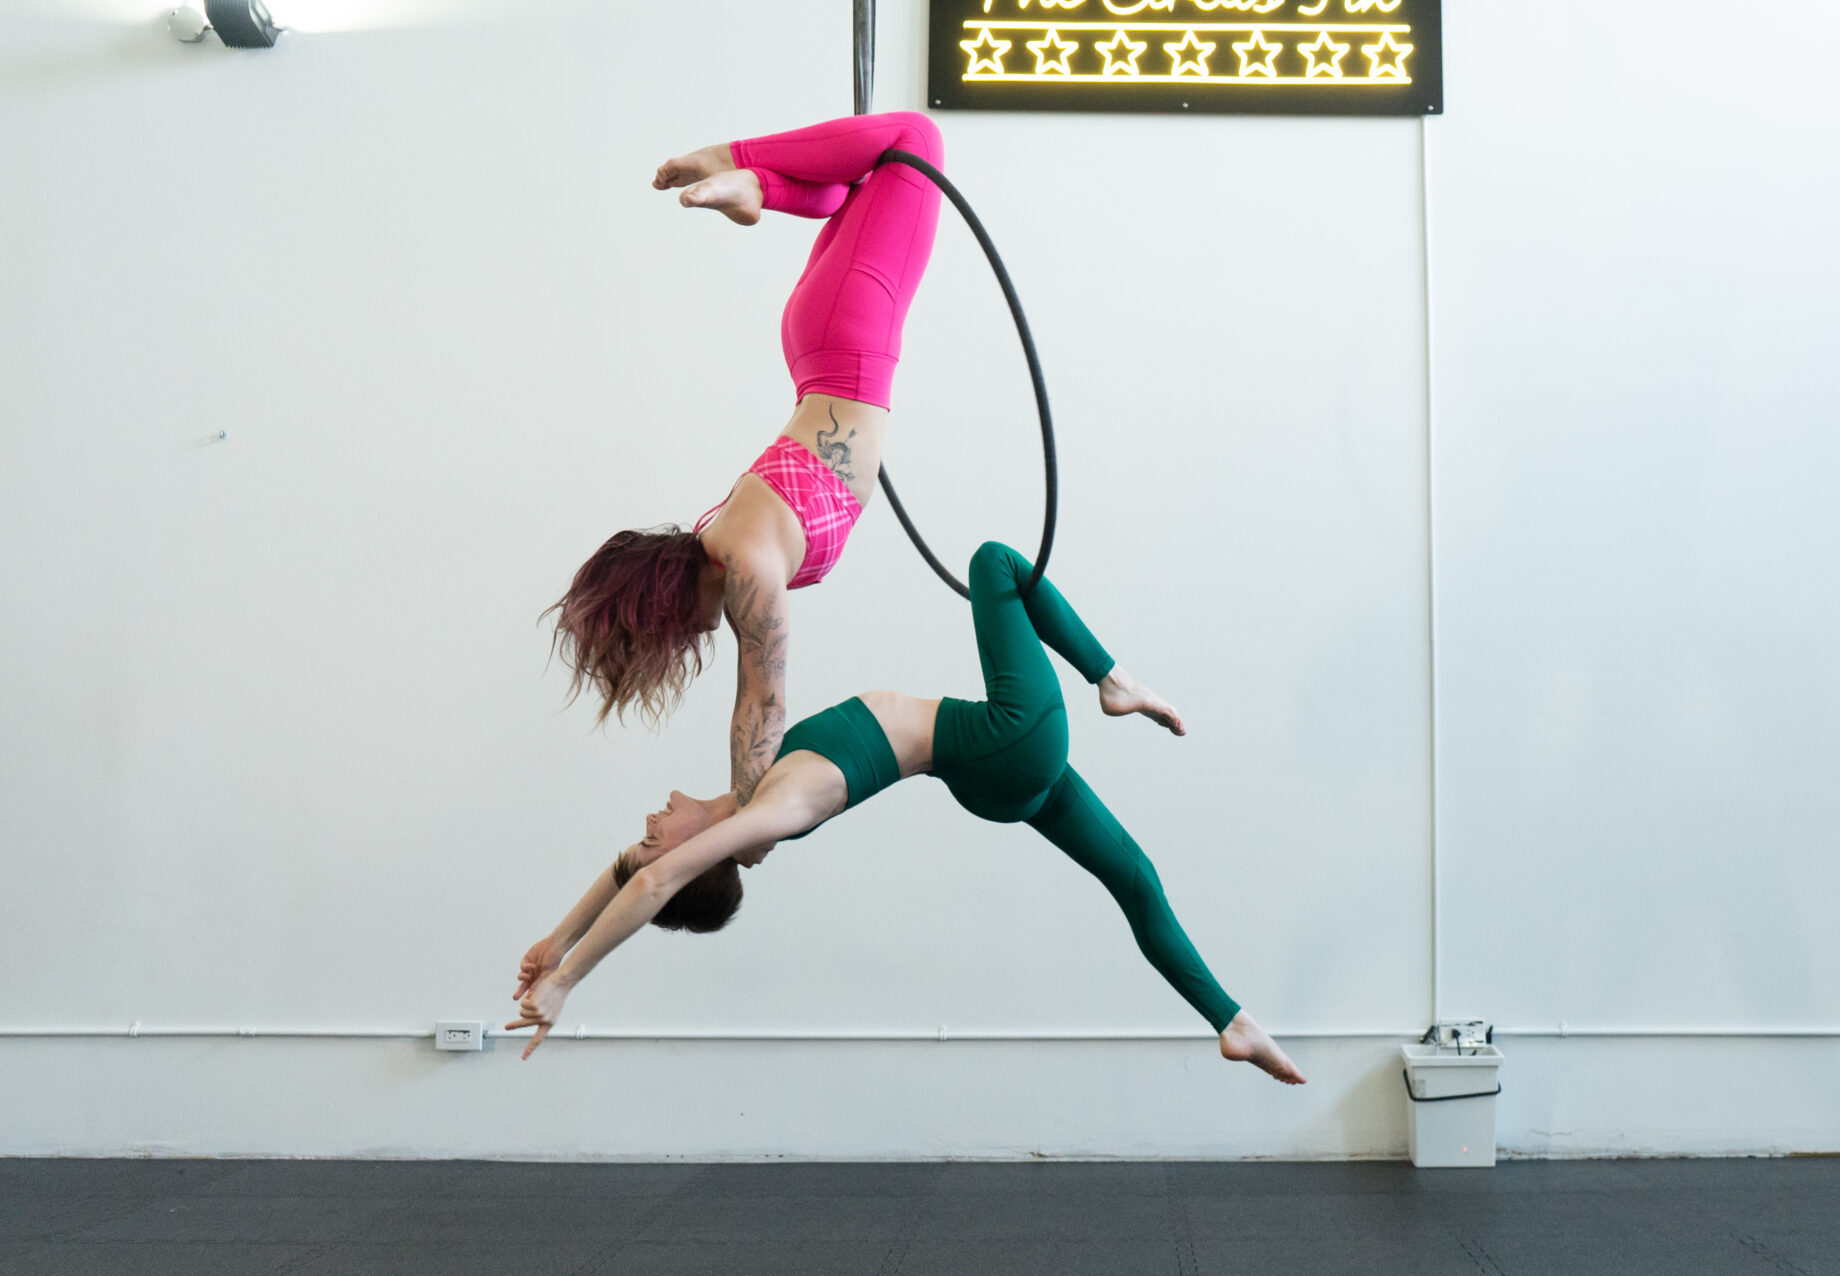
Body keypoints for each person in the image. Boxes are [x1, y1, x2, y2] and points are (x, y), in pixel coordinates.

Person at [512, 542, 1307, 1085]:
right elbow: (651, 886)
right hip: (1004, 739)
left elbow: (634, 876)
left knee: (1135, 880)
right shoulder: (773, 811)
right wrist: (569, 985)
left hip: (994, 780)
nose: (651, 822)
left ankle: (1230, 1020)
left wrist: (554, 943)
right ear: (693, 859)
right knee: (995, 563)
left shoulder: (746, 803)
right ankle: (1114, 680)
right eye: (657, 839)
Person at [548, 112, 944, 801]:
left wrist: (739, 818)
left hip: (849, 334)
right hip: (823, 340)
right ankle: (760, 187)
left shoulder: (747, 564)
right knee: (858, 185)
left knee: (916, 142)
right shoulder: (723, 541)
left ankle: (730, 159)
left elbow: (763, 701)